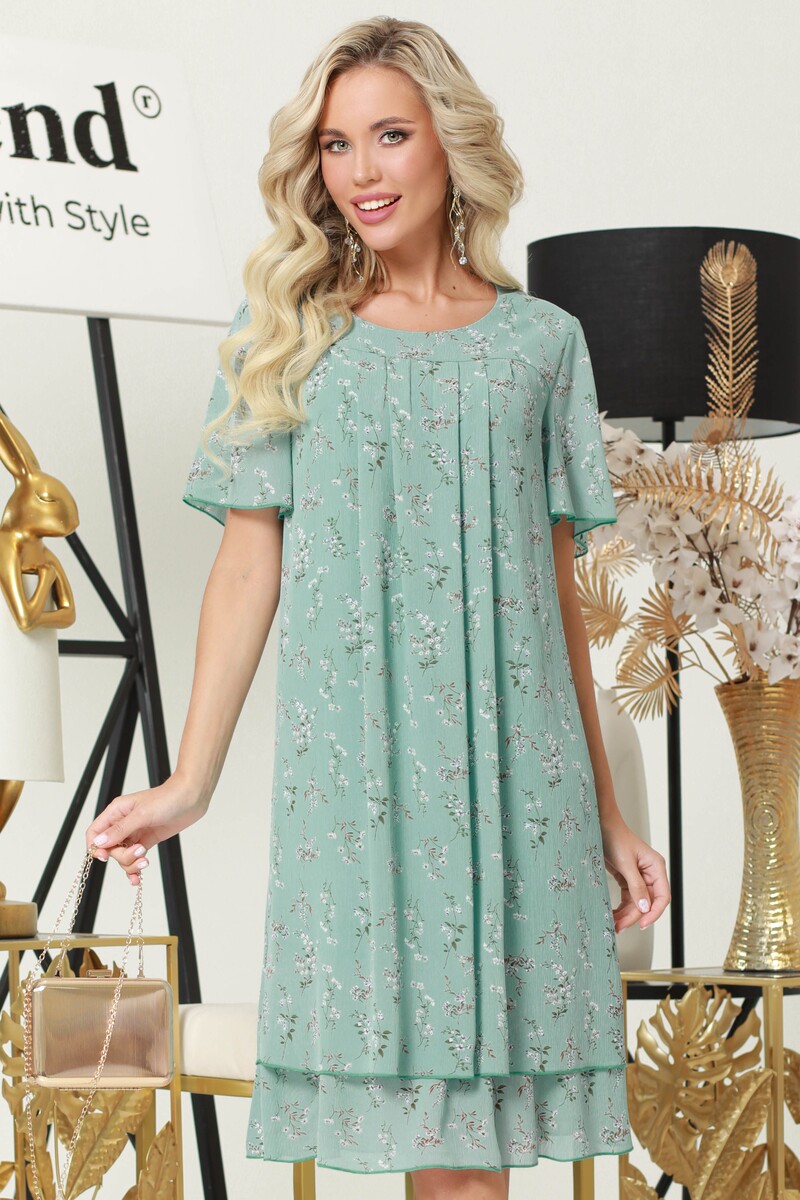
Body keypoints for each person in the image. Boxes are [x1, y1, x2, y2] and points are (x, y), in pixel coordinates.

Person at [85, 15, 670, 1196]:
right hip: (360, 785)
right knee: (433, 1144)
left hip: (518, 783)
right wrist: (191, 779)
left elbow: (555, 593)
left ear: (449, 142)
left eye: (389, 136)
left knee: (472, 1158)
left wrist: (606, 812)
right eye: (336, 144)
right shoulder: (286, 337)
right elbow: (245, 565)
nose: (360, 171)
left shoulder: (542, 344)